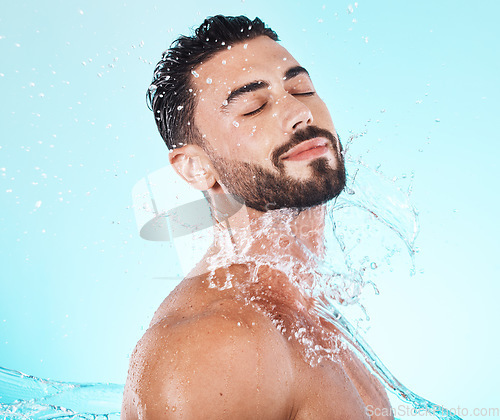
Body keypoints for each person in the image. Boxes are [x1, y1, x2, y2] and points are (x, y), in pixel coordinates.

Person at [122, 15, 393, 419]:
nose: (299, 112)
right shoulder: (215, 342)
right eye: (254, 107)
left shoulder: (312, 313)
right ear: (196, 168)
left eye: (301, 88)